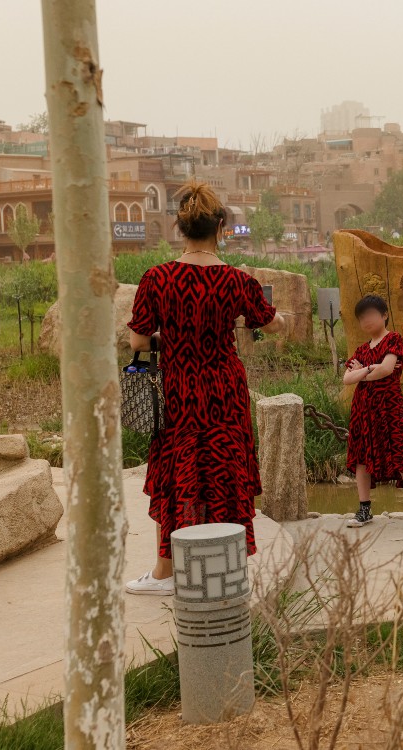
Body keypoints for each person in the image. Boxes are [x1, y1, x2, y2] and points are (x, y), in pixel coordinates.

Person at [125, 180, 288, 595]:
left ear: (180, 227)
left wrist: (171, 337)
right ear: (220, 226)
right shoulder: (237, 281)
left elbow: (139, 341)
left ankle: (164, 573)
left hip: (179, 388)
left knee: (176, 473)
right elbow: (274, 325)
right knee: (225, 470)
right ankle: (230, 569)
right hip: (225, 389)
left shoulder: (156, 278)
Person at [342, 295, 403, 529]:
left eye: (371, 314)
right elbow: (347, 379)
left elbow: (385, 370)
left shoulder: (393, 339)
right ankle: (364, 509)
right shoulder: (361, 349)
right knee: (362, 458)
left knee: (402, 454)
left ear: (384, 315)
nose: (366, 320)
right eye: (362, 317)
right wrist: (369, 370)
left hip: (389, 407)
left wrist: (364, 371)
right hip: (363, 408)